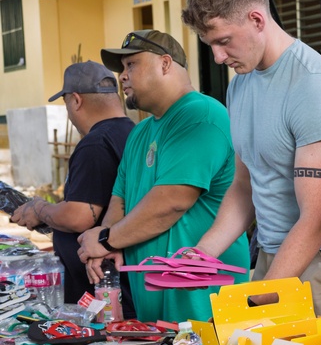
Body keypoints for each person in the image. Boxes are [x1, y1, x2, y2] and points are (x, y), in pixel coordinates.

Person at [180, 0, 321, 316]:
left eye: (224, 41)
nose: (218, 57)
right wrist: (201, 254)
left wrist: (261, 295)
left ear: (257, 20)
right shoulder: (242, 82)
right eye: (210, 45)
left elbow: (317, 218)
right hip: (274, 256)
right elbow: (245, 186)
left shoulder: (315, 87)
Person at [77, 29, 249, 323]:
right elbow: (120, 199)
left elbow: (171, 202)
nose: (122, 76)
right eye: (122, 68)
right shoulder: (141, 132)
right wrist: (108, 245)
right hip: (154, 300)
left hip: (202, 299)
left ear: (165, 64)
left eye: (131, 65)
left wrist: (105, 240)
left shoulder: (201, 115)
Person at [11, 61, 135, 316]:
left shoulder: (96, 144)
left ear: (76, 100)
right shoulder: (132, 132)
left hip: (103, 290)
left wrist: (40, 209)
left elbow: (80, 216)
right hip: (122, 282)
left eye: (66, 103)